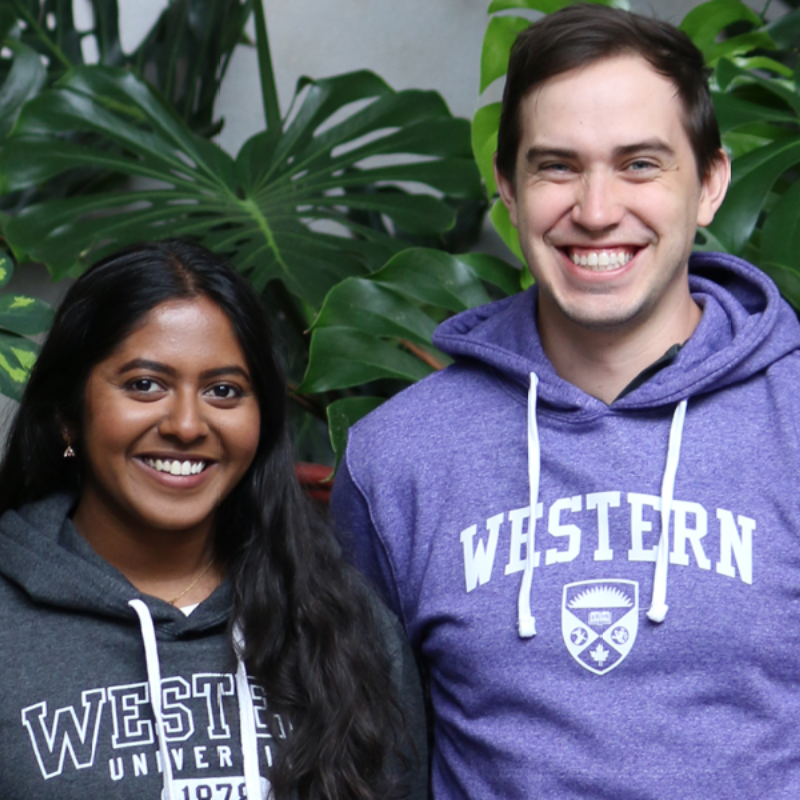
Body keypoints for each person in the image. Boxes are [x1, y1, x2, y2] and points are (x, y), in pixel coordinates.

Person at [331, 4, 800, 797]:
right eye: (556, 167)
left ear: (711, 183)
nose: (595, 209)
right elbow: (367, 758)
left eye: (640, 165)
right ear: (508, 191)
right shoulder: (399, 458)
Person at [0, 240, 426, 799]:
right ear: (66, 417)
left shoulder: (346, 622)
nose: (185, 424)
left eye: (223, 391)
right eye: (144, 385)